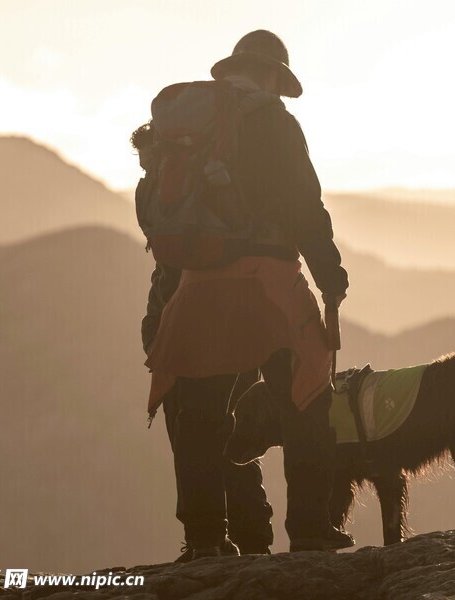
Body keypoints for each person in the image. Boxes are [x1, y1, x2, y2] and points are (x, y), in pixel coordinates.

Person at [139, 29, 352, 560]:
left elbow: (172, 220)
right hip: (268, 283)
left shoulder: (189, 129)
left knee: (201, 417)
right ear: (273, 77)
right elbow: (306, 206)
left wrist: (163, 307)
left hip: (197, 287)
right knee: (306, 397)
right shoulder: (275, 122)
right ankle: (308, 528)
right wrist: (330, 274)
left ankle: (205, 539)